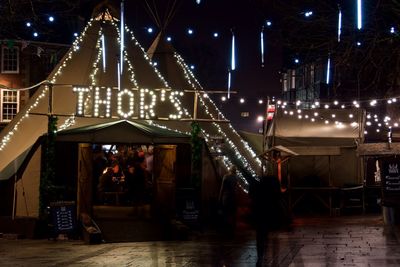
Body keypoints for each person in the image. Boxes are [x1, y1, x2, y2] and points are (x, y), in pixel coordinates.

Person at [249, 175, 290, 266]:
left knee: (260, 237)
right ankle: (271, 259)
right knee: (268, 236)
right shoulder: (274, 192)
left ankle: (260, 257)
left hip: (260, 216)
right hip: (270, 216)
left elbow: (252, 197)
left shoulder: (258, 190)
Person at [218, 165, 239, 236]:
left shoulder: (226, 177)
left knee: (225, 213)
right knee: (233, 213)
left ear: (229, 169)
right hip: (233, 197)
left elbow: (222, 188)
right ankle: (233, 229)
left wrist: (219, 198)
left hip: (226, 197)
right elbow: (236, 189)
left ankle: (226, 228)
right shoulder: (236, 178)